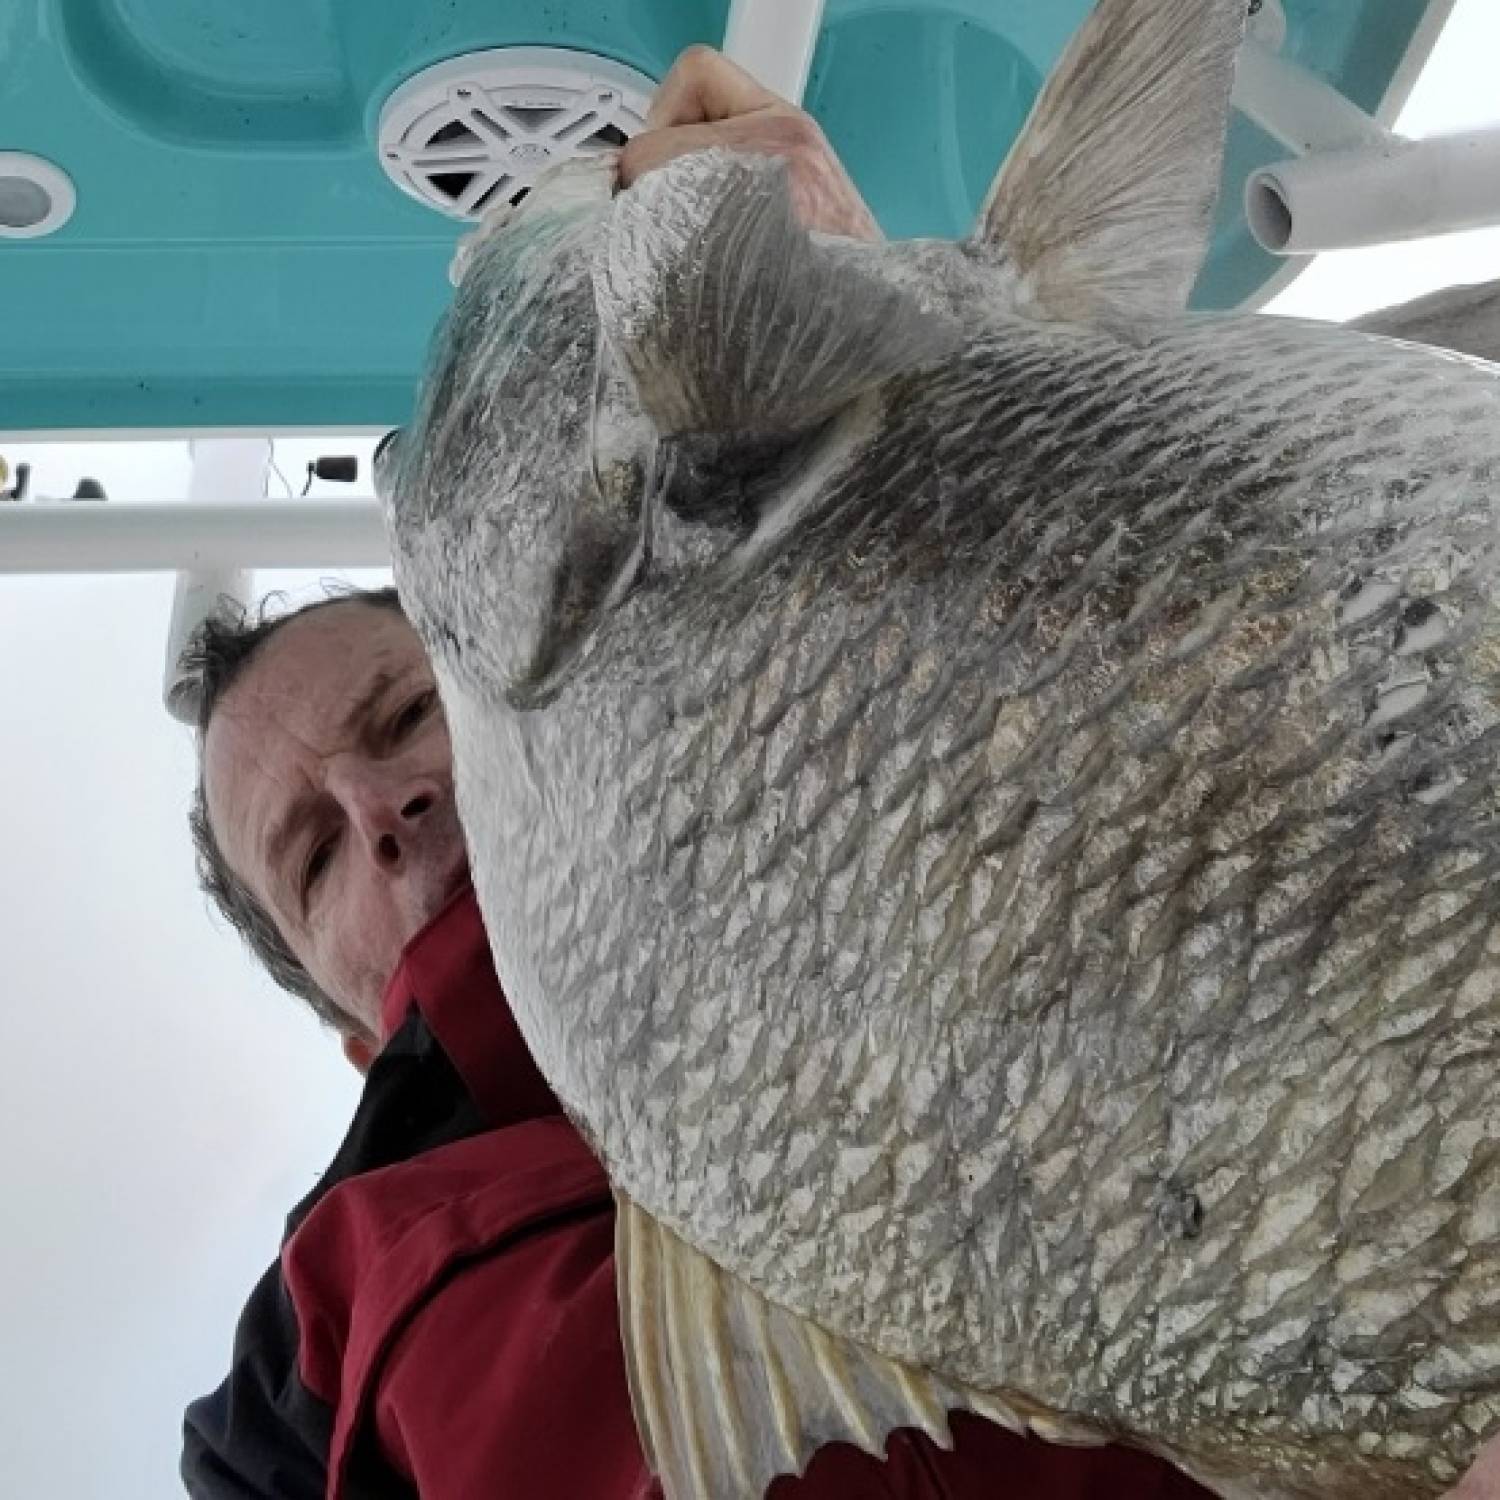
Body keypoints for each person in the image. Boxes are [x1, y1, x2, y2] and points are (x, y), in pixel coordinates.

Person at [179, 48, 1499, 1500]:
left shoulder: (722, 655)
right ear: (356, 1036)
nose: (382, 809)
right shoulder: (336, 1348)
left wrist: (844, 347)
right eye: (310, 854)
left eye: (406, 711)